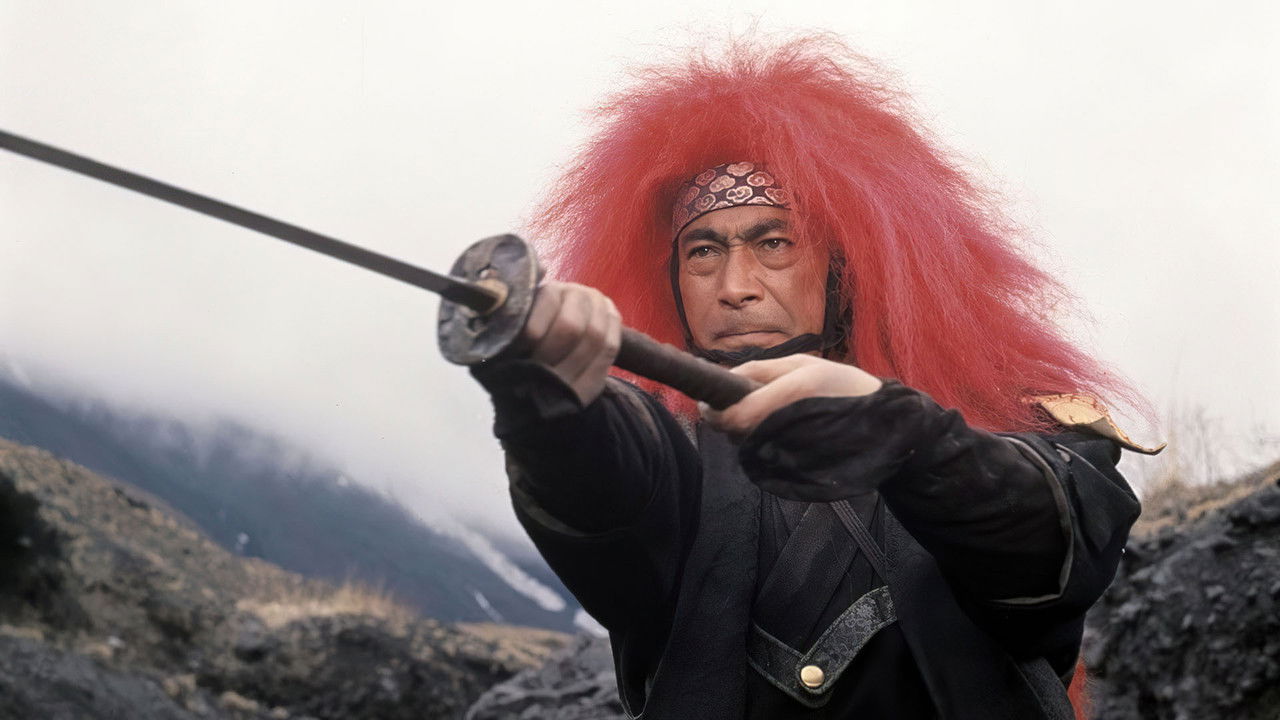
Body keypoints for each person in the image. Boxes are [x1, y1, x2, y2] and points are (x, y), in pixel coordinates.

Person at [468, 36, 1160, 719]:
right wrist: (554, 400)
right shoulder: (672, 455)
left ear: (844, 264)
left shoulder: (1011, 418)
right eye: (703, 252)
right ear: (671, 277)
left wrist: (908, 437)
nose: (735, 287)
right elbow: (605, 485)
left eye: (774, 243)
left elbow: (1049, 541)